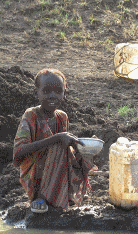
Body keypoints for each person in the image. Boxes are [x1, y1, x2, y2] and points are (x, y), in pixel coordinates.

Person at [13, 68, 95, 213]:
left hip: (55, 167)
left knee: (83, 148)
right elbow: (19, 152)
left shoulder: (62, 117)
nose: (52, 96)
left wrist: (81, 146)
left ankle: (64, 193)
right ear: (36, 93)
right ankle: (41, 197)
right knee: (57, 145)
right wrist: (56, 138)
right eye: (46, 91)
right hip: (35, 172)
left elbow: (66, 150)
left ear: (64, 93)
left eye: (58, 92)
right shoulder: (31, 116)